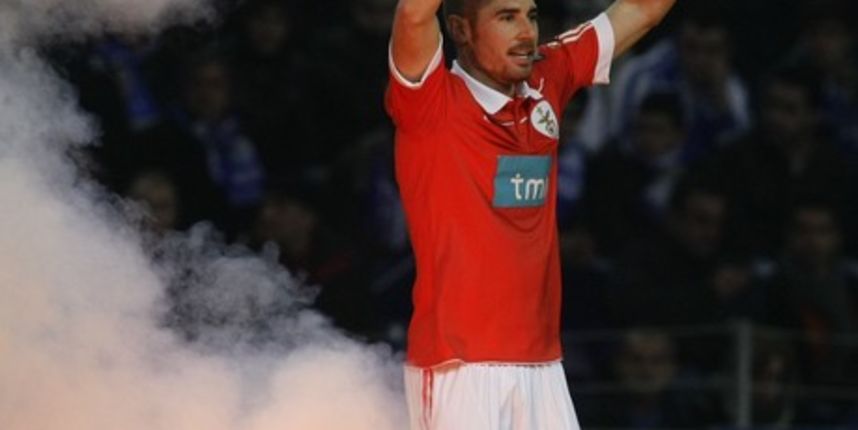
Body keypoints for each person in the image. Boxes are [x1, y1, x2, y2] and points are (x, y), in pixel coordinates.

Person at [385, 0, 677, 428]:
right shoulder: (429, 102)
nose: (526, 31)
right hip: (458, 367)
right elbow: (413, 14)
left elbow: (642, 9)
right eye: (507, 17)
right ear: (460, 30)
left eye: (532, 15)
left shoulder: (548, 78)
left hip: (544, 365)